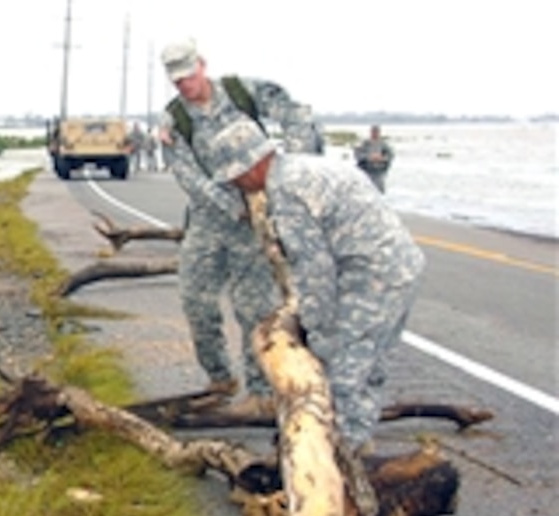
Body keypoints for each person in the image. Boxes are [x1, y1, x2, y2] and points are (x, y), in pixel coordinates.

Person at [206, 117, 425, 454]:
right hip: (402, 266)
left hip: (372, 277)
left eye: (235, 177)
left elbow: (315, 272)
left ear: (250, 165)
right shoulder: (304, 168)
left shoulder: (287, 193)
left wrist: (315, 334)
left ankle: (341, 463)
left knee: (342, 374)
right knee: (371, 366)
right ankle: (360, 444)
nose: (235, 184)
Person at [158, 37, 325, 413]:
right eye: (177, 80)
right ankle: (219, 378)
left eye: (189, 75)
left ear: (202, 65)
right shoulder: (174, 120)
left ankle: (261, 393)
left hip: (257, 215)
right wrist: (231, 205)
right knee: (195, 301)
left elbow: (297, 114)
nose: (185, 85)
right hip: (211, 220)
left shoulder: (242, 92)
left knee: (254, 309)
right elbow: (188, 177)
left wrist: (291, 169)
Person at [354, 124, 395, 192]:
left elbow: (391, 155)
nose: (375, 134)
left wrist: (382, 158)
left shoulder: (383, 144)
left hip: (379, 172)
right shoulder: (365, 144)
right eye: (373, 132)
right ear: (370, 132)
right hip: (367, 171)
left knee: (379, 189)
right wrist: (368, 157)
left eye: (376, 132)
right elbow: (357, 154)